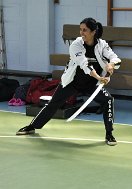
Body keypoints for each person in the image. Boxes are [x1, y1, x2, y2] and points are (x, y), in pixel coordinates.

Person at [16, 17, 121, 146]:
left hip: (92, 85)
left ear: (93, 32)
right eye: (80, 29)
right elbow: (85, 65)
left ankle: (109, 134)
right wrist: (100, 78)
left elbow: (116, 59)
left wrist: (111, 65)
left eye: (85, 30)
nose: (81, 33)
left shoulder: (102, 45)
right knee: (53, 104)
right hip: (72, 83)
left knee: (108, 100)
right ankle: (32, 126)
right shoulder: (76, 45)